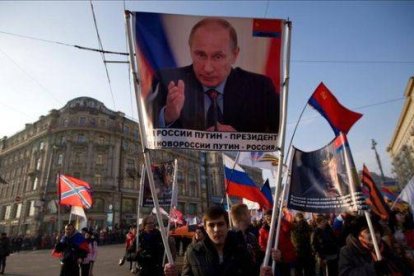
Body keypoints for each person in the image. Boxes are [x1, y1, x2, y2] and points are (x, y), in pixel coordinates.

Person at [151, 17, 279, 133]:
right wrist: (167, 116)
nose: (207, 68)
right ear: (190, 50)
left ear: (235, 55)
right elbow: (147, 129)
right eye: (201, 55)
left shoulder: (261, 88)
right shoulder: (166, 81)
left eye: (218, 56)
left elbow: (277, 141)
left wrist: (241, 142)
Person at [164, 205, 255, 276]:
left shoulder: (241, 249)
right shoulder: (193, 251)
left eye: (220, 224)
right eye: (211, 225)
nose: (216, 229)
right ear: (205, 229)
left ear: (227, 226)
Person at [338, 215, 412, 275]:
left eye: (376, 231)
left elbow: (400, 265)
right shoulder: (348, 251)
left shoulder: (383, 246)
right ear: (359, 236)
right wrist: (373, 268)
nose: (374, 235)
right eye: (368, 232)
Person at [231, 203, 263, 274]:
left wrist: (270, 253)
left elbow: (259, 257)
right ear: (243, 216)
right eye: (248, 213)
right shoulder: (229, 239)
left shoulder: (251, 236)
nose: (251, 215)